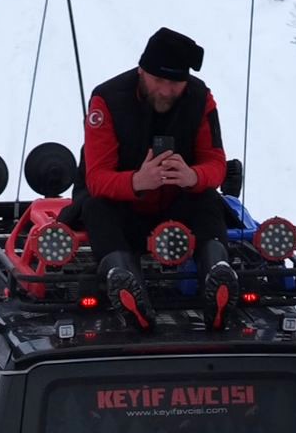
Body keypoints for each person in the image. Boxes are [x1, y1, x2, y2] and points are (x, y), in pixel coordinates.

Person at [80, 26, 240, 333]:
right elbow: (96, 178)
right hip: (124, 211)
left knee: (207, 198)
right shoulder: (106, 100)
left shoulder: (201, 98)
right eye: (159, 80)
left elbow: (216, 163)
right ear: (142, 71)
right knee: (95, 207)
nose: (166, 90)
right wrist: (138, 182)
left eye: (175, 83)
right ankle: (126, 284)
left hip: (177, 209)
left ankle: (217, 274)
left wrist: (193, 176)